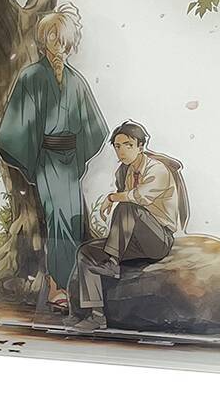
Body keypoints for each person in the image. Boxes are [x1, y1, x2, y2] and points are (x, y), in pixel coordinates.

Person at [0, 2, 108, 312]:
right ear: (43, 40)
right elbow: (19, 124)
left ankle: (70, 285)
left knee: (73, 221)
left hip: (70, 161)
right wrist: (34, 158)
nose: (58, 44)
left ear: (71, 41)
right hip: (47, 159)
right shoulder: (31, 77)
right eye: (52, 37)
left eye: (63, 38)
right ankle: (58, 286)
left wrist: (78, 155)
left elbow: (93, 126)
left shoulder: (76, 81)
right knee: (57, 220)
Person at [68, 121, 189, 332]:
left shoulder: (157, 169)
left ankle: (113, 261)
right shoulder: (123, 172)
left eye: (128, 145)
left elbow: (139, 197)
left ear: (141, 146)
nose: (121, 151)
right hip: (132, 240)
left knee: (128, 207)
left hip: (158, 239)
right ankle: (96, 316)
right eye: (117, 146)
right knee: (87, 252)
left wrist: (111, 198)